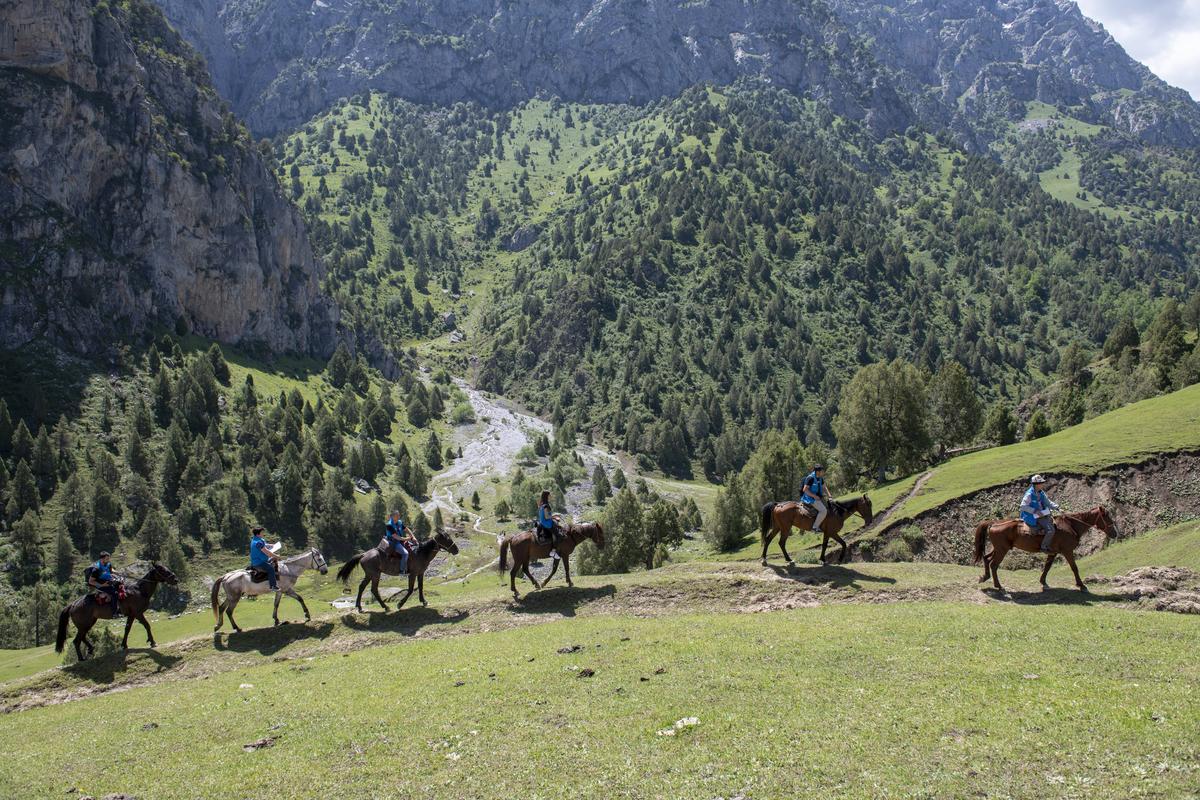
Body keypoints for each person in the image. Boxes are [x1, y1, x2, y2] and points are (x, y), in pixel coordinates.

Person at [1020, 474, 1061, 552]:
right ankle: (1044, 547)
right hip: (1033, 516)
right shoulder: (1029, 494)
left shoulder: (1041, 492)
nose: (1042, 484)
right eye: (1041, 483)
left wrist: (1057, 507)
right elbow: (1023, 506)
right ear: (1036, 485)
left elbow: (1048, 503)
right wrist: (1035, 511)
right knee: (1051, 530)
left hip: (1042, 513)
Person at [87, 551, 121, 616]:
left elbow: (111, 570)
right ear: (101, 559)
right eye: (106, 559)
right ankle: (114, 613)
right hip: (101, 585)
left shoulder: (108, 564)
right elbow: (91, 581)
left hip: (109, 581)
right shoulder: (97, 569)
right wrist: (101, 585)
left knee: (120, 585)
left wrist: (117, 572)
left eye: (108, 559)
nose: (108, 560)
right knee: (115, 594)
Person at [249, 526, 281, 591]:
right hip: (259, 562)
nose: (263, 533)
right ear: (258, 534)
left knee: (274, 562)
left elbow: (264, 545)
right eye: (262, 532)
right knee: (271, 569)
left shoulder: (256, 539)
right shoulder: (258, 543)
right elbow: (267, 552)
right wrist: (276, 556)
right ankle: (273, 586)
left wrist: (271, 545)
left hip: (262, 559)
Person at [801, 465, 831, 532]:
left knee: (830, 506)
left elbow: (824, 487)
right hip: (810, 498)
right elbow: (805, 490)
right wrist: (814, 496)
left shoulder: (820, 478)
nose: (823, 472)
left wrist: (830, 496)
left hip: (818, 497)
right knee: (823, 511)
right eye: (822, 471)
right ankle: (814, 527)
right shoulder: (810, 478)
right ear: (817, 472)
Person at [537, 490, 561, 561]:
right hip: (547, 523)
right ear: (547, 496)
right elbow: (547, 517)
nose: (551, 497)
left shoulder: (541, 504)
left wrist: (553, 516)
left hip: (542, 522)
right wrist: (555, 516)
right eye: (550, 495)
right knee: (557, 535)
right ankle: (553, 552)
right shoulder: (546, 505)